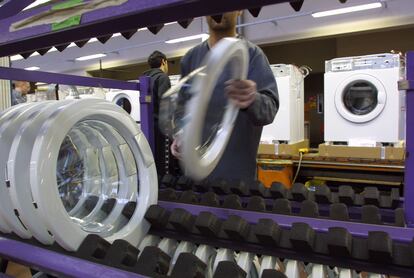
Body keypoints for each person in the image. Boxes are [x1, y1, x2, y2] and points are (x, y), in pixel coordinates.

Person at [171, 11, 279, 182]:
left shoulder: (253, 55)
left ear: (239, 9)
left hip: (237, 176)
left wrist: (253, 99)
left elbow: (270, 109)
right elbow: (181, 110)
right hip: (196, 178)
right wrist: (180, 133)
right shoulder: (190, 59)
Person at [143, 51, 176, 176]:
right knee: (164, 162)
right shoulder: (162, 77)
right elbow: (165, 103)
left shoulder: (144, 78)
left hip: (147, 126)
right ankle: (165, 188)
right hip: (161, 127)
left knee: (152, 158)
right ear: (163, 61)